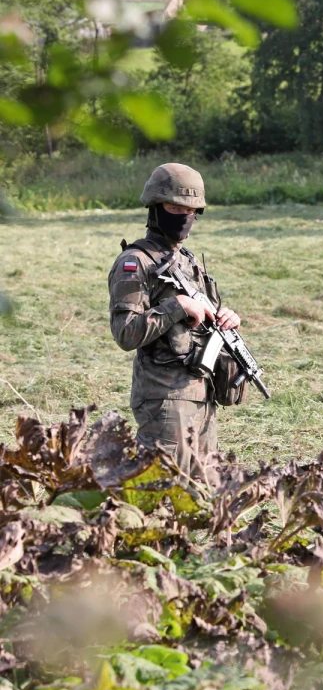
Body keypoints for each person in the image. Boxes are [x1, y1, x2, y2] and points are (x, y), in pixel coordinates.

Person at [108, 163, 240, 479]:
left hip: (201, 398)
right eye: (174, 207)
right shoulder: (134, 262)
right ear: (155, 207)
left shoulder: (189, 262)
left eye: (190, 209)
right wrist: (176, 306)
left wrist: (227, 320)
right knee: (159, 498)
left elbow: (202, 327)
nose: (183, 216)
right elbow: (125, 333)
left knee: (204, 499)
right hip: (164, 401)